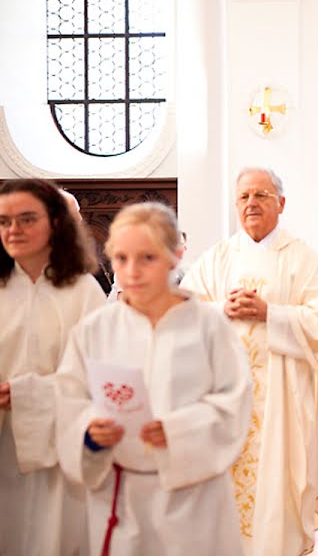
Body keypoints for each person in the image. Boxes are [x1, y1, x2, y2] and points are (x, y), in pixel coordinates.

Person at [55, 202, 251, 556]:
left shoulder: (209, 326)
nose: (132, 271)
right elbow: (69, 399)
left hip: (194, 496)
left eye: (147, 258)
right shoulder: (96, 328)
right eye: (121, 258)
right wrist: (90, 432)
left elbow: (234, 402)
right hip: (119, 493)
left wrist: (178, 430)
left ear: (175, 256)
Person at [180, 168, 318, 555]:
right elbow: (182, 313)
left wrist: (270, 313)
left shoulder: (302, 260)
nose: (251, 204)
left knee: (279, 490)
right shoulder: (218, 258)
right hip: (227, 404)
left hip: (283, 405)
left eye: (260, 195)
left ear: (281, 203)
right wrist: (219, 310)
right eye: (243, 197)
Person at [0, 179, 105, 556]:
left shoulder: (83, 292)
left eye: (27, 219)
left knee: (52, 539)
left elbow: (101, 375)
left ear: (56, 224)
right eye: (4, 221)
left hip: (61, 452)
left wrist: (30, 394)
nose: (14, 230)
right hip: (1, 447)